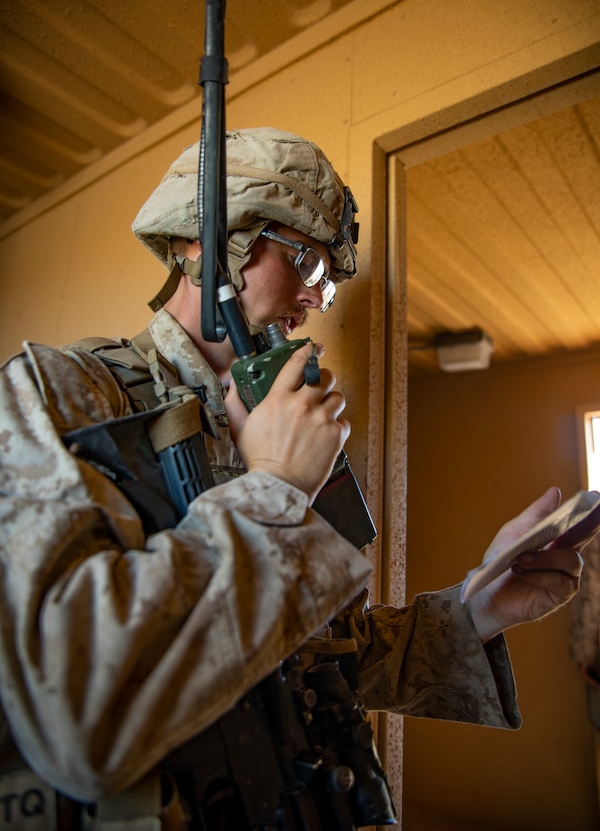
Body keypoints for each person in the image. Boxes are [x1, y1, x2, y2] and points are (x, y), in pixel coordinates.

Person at [0, 127, 586, 828]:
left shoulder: (291, 421)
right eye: (305, 260)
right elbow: (72, 715)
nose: (316, 297)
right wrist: (275, 485)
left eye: (330, 283)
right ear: (202, 243)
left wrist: (472, 609)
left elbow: (324, 662)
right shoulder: (59, 393)